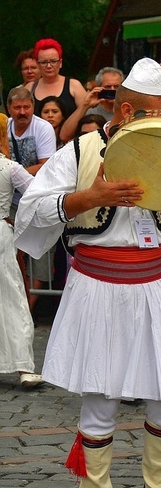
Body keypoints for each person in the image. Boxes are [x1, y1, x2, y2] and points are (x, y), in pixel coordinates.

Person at [14, 57, 161, 487]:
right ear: (127, 111)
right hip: (97, 286)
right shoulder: (80, 151)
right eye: (158, 112)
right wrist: (88, 197)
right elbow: (30, 211)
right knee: (100, 401)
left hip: (158, 286)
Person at [6, 86, 58, 314]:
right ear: (9, 108)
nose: (22, 111)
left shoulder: (43, 128)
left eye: (26, 107)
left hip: (37, 197)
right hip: (10, 200)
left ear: (33, 107)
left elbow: (47, 163)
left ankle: (28, 308)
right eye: (17, 108)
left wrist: (15, 172)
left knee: (39, 255)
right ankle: (16, 307)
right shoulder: (4, 127)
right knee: (12, 253)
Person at [0, 131, 43, 389]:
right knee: (12, 296)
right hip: (1, 231)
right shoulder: (9, 167)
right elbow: (37, 194)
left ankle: (24, 367)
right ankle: (24, 368)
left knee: (12, 295)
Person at [26, 38, 87, 117]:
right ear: (37, 65)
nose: (49, 66)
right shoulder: (29, 88)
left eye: (53, 61)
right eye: (44, 62)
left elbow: (88, 116)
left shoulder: (74, 85)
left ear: (60, 63)